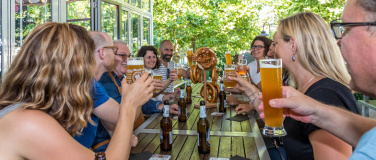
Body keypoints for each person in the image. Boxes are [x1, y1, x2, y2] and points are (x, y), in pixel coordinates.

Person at [0, 22, 153, 159]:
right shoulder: (28, 122)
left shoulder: (32, 109)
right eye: (86, 57)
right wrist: (130, 105)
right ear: (70, 65)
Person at [230, 12, 359, 160]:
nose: (272, 50)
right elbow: (276, 123)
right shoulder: (305, 88)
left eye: (276, 43)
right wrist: (248, 88)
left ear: (293, 45)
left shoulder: (326, 95)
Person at [257, 0, 376, 159]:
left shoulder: (326, 94)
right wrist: (317, 113)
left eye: (346, 29)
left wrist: (317, 112)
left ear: (293, 45)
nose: (339, 41)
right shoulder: (312, 92)